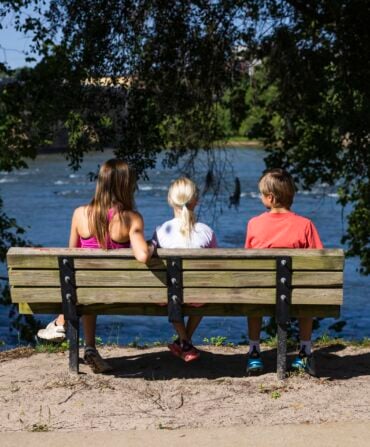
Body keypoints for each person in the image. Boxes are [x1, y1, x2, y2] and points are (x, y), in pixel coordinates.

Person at [37, 159, 153, 373]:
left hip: (83, 289)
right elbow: (143, 255)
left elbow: (69, 257)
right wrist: (152, 246)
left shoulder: (80, 214)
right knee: (92, 284)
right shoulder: (131, 218)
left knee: (82, 282)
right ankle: (89, 348)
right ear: (126, 185)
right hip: (115, 290)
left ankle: (60, 321)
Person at [245, 168, 323, 375]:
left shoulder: (254, 224)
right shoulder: (306, 225)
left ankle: (254, 352)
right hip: (295, 295)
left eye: (261, 194)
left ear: (270, 198)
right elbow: (319, 263)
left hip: (262, 294)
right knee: (307, 296)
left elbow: (248, 263)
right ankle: (305, 351)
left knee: (254, 298)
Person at [152, 177, 217, 362]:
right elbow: (216, 268)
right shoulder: (207, 231)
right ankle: (185, 342)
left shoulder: (161, 230)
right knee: (205, 290)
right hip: (199, 297)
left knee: (172, 291)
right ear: (195, 201)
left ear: (170, 201)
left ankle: (184, 341)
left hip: (169, 298)